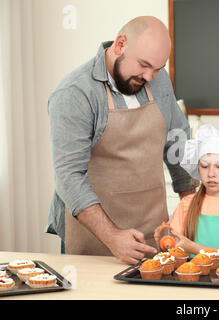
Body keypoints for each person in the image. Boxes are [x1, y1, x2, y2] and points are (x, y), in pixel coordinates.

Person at [46, 16, 195, 265]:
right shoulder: (75, 93)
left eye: (158, 68)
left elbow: (177, 139)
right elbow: (69, 176)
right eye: (144, 65)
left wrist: (191, 206)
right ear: (120, 44)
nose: (150, 76)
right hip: (94, 238)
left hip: (153, 232)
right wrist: (112, 237)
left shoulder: (158, 80)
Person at [155, 124, 219, 256]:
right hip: (190, 274)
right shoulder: (187, 204)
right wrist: (163, 242)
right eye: (204, 166)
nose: (211, 174)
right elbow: (173, 248)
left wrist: (191, 247)